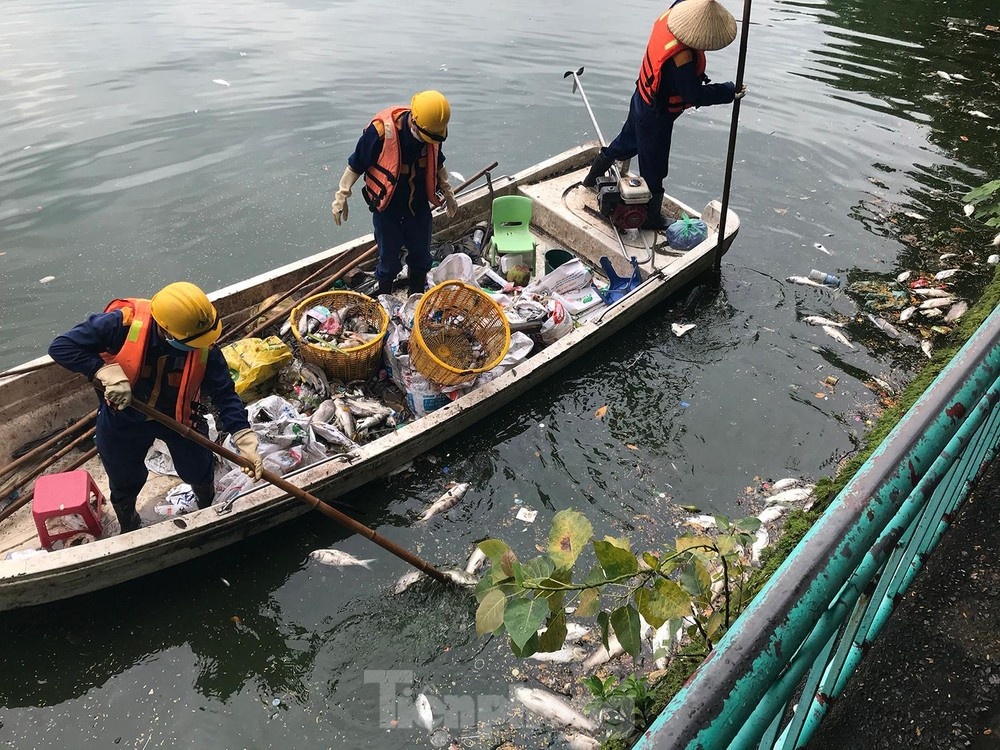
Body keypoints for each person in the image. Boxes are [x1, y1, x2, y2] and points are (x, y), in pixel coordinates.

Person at [48, 282, 264, 532]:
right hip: (124, 419)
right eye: (191, 343)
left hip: (180, 418)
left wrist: (243, 437)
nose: (198, 347)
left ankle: (206, 507)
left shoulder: (203, 343)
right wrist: (102, 370)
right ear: (165, 329)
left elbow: (224, 394)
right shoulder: (122, 324)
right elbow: (61, 346)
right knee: (125, 479)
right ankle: (129, 523)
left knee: (197, 468)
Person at [583, 0, 746, 229]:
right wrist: (728, 91)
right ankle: (650, 218)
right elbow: (694, 95)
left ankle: (592, 177)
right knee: (655, 166)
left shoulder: (673, 13)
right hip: (656, 113)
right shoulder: (681, 59)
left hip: (642, 93)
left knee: (626, 143)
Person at [330, 90, 459, 295]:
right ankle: (384, 298)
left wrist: (448, 191)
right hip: (388, 209)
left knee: (421, 256)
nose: (429, 141)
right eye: (427, 136)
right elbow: (356, 164)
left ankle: (416, 296)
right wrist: (341, 195)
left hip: (418, 207)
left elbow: (438, 162)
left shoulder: (433, 131)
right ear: (414, 122)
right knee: (388, 260)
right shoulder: (380, 132)